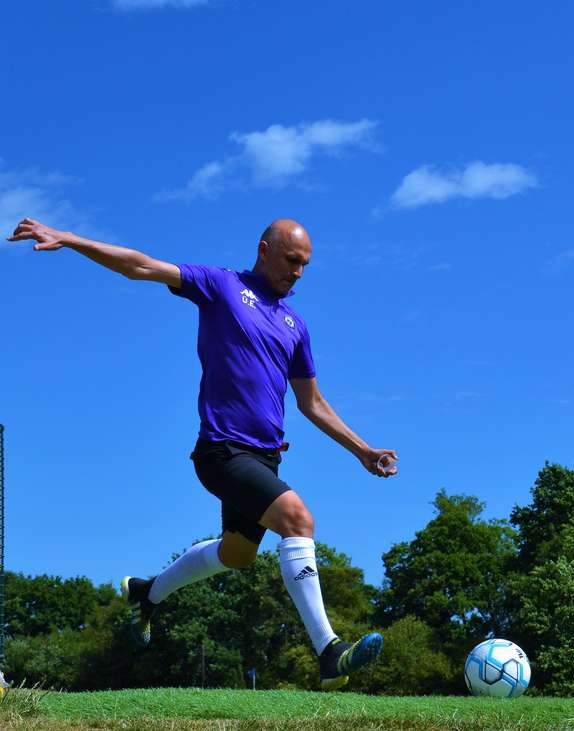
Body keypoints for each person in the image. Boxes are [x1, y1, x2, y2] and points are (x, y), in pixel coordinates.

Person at [6, 217, 397, 691]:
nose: (298, 272)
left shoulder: (296, 325)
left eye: (305, 266)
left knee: (236, 555)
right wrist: (70, 239)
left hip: (265, 457)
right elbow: (140, 266)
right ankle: (330, 652)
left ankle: (148, 593)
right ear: (265, 249)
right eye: (292, 261)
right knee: (298, 518)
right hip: (223, 451)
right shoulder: (222, 286)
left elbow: (311, 402)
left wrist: (361, 450)